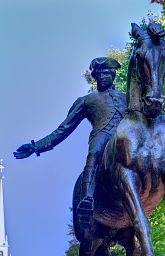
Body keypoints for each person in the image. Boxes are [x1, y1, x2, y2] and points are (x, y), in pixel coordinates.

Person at [14, 57, 126, 222]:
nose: (102, 76)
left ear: (113, 74)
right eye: (98, 73)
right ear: (94, 77)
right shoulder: (85, 101)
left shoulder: (126, 97)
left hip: (127, 137)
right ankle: (87, 198)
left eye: (106, 72)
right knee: (95, 152)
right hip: (103, 135)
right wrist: (35, 147)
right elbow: (63, 129)